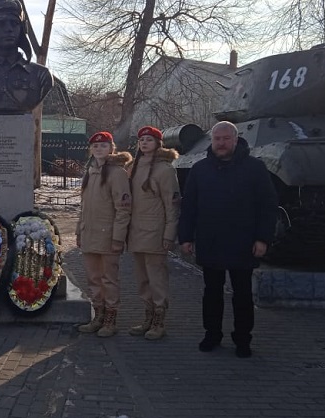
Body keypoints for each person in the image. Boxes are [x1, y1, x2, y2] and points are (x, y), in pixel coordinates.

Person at [178, 121, 278, 358]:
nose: (221, 143)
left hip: (243, 242)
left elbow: (267, 206)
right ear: (212, 141)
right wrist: (186, 237)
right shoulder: (200, 169)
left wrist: (263, 238)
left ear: (235, 139)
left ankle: (243, 339)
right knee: (212, 293)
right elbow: (189, 206)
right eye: (217, 139)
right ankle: (212, 334)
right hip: (211, 240)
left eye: (225, 139)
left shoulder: (254, 168)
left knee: (242, 294)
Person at [126, 126, 181, 340]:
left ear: (159, 143)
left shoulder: (165, 170)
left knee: (156, 278)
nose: (144, 143)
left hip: (156, 232)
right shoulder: (134, 167)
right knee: (141, 279)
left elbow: (172, 204)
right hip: (136, 232)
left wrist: (169, 234)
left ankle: (159, 320)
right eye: (141, 140)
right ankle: (147, 317)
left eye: (149, 139)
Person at [76, 131, 133, 337]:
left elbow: (123, 208)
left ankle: (110, 319)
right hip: (89, 234)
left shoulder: (117, 173)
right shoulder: (90, 171)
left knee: (109, 279)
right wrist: (79, 231)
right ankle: (98, 315)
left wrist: (118, 237)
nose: (98, 148)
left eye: (103, 145)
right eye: (95, 145)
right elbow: (84, 207)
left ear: (111, 148)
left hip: (108, 236)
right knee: (93, 278)